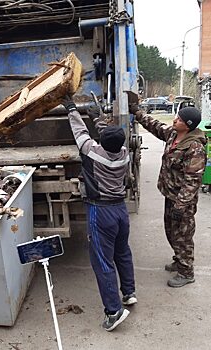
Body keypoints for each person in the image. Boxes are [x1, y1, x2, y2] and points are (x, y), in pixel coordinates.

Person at [61, 96, 136, 331]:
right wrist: (98, 118)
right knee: (122, 251)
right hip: (120, 210)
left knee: (102, 261)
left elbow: (79, 132)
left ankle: (113, 311)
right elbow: (107, 135)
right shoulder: (123, 153)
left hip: (100, 211)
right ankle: (129, 292)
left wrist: (72, 109)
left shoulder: (92, 152)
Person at [130, 105, 207, 288]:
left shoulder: (194, 147)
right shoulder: (173, 134)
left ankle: (186, 272)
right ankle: (179, 260)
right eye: (176, 117)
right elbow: (155, 126)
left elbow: (193, 180)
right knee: (171, 231)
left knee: (183, 235)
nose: (174, 120)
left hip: (182, 201)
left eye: (179, 119)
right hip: (170, 194)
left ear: (187, 126)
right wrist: (138, 113)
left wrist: (181, 206)